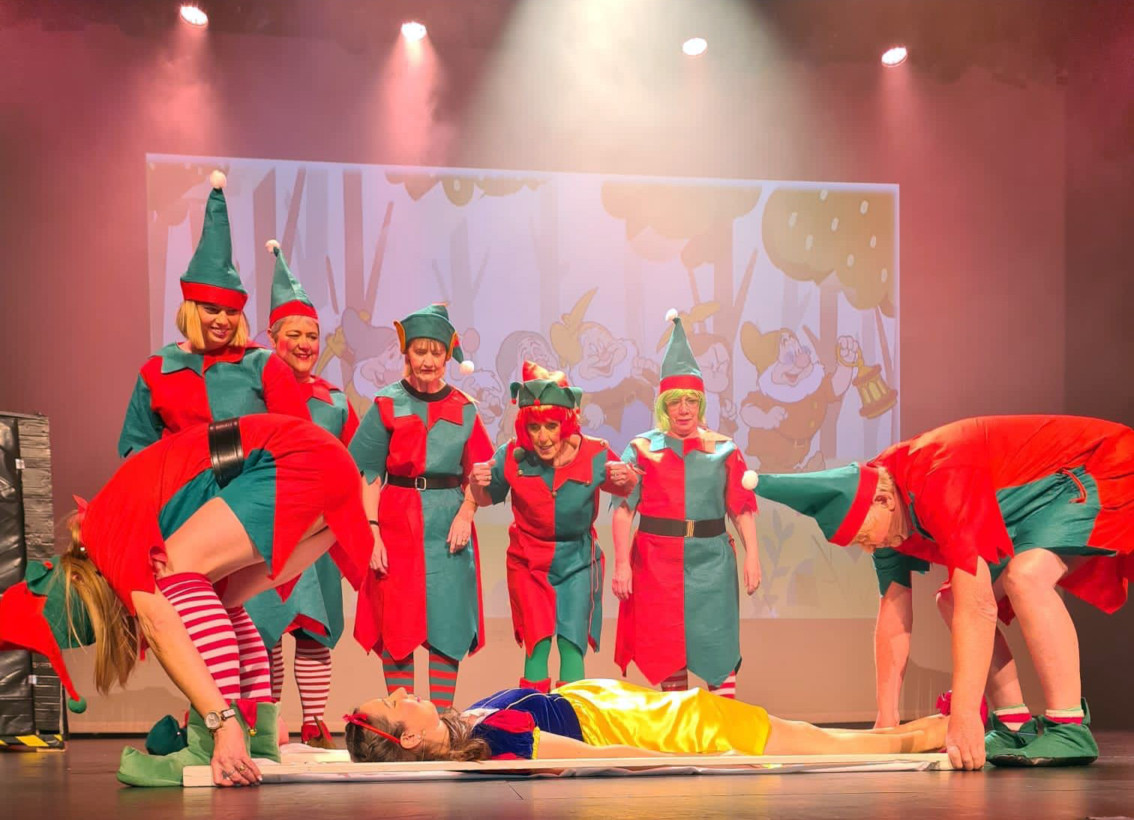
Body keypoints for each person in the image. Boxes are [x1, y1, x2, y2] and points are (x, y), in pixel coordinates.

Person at [0, 414, 373, 787]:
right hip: (331, 473)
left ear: (82, 580)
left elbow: (160, 626)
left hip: (298, 461)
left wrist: (217, 721)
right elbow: (207, 618)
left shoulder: (105, 532)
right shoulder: (130, 518)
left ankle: (209, 741)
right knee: (220, 599)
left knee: (174, 575)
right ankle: (256, 739)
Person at [755, 415, 1134, 770]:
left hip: (1096, 467)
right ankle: (1013, 725)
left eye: (869, 537)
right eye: (860, 544)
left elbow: (980, 605)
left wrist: (966, 715)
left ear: (884, 501)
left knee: (1024, 577)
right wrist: (887, 719)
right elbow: (893, 611)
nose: (872, 547)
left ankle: (1069, 727)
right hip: (1035, 502)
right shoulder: (882, 510)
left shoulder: (939, 476)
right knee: (949, 599)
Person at [243, 241, 360, 749]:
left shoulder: (334, 401)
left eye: (312, 335)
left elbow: (357, 464)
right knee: (264, 627)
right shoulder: (250, 391)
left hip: (316, 534)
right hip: (265, 528)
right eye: (295, 334)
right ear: (272, 337)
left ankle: (315, 723)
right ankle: (270, 723)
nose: (306, 343)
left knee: (314, 629)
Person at [350, 304, 493, 711]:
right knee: (397, 621)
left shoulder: (465, 408)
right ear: (406, 354)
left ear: (448, 356)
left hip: (448, 520)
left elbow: (481, 473)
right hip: (396, 519)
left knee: (447, 619)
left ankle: (444, 723)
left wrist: (467, 511)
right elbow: (369, 471)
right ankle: (405, 722)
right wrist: (372, 530)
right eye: (420, 352)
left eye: (435, 352)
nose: (428, 361)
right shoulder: (385, 403)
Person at [612, 312, 761, 698]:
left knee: (717, 648)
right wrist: (622, 564)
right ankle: (679, 743)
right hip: (657, 562)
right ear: (664, 405)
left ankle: (723, 744)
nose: (683, 409)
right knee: (667, 652)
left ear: (700, 403)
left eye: (690, 401)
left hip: (711, 561)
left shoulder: (724, 448)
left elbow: (741, 507)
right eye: (675, 401)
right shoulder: (642, 449)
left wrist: (753, 556)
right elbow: (624, 509)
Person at [468, 362, 637, 690]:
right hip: (529, 561)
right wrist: (477, 485)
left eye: (550, 425)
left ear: (566, 423)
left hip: (578, 561)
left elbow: (626, 487)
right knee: (538, 642)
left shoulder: (595, 452)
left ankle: (571, 724)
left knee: (572, 642)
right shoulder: (512, 457)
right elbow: (486, 497)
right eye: (534, 428)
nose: (542, 437)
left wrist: (628, 479)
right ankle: (535, 727)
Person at [118, 171, 308, 458]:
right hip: (179, 495)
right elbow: (138, 447)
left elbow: (298, 439)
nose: (223, 321)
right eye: (212, 310)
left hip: (251, 493)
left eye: (232, 312)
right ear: (191, 311)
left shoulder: (264, 365)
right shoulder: (156, 370)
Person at [342, 679, 947, 762]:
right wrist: (686, 761)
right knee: (808, 741)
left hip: (631, 705)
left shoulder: (468, 723)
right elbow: (594, 758)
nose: (402, 690)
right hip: (659, 726)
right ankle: (913, 742)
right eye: (393, 704)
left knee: (803, 731)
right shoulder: (492, 738)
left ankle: (905, 734)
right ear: (410, 737)